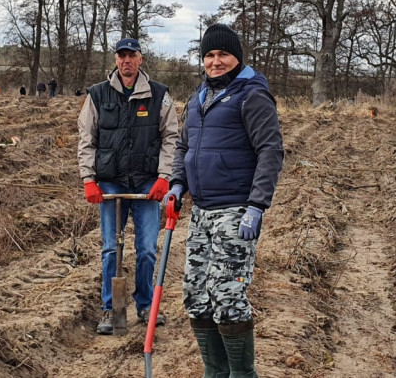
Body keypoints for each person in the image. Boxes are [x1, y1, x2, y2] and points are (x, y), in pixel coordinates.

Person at [165, 23, 285, 377]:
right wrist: (176, 184)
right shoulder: (199, 97)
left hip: (236, 211)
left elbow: (270, 150)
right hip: (201, 211)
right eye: (209, 55)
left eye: (223, 55)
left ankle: (242, 375)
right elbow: (184, 146)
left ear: (237, 58)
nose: (215, 62)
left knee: (228, 297)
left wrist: (257, 205)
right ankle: (214, 372)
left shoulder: (252, 95)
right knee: (196, 295)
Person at [77, 37, 179, 336]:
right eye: (121, 56)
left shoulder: (159, 94)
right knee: (111, 249)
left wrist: (164, 177)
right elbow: (87, 139)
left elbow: (172, 137)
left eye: (131, 56)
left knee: (146, 249)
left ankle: (146, 304)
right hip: (111, 182)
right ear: (116, 60)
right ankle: (110, 308)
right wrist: (89, 179)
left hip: (147, 183)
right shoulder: (97, 94)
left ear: (140, 59)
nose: (126, 61)